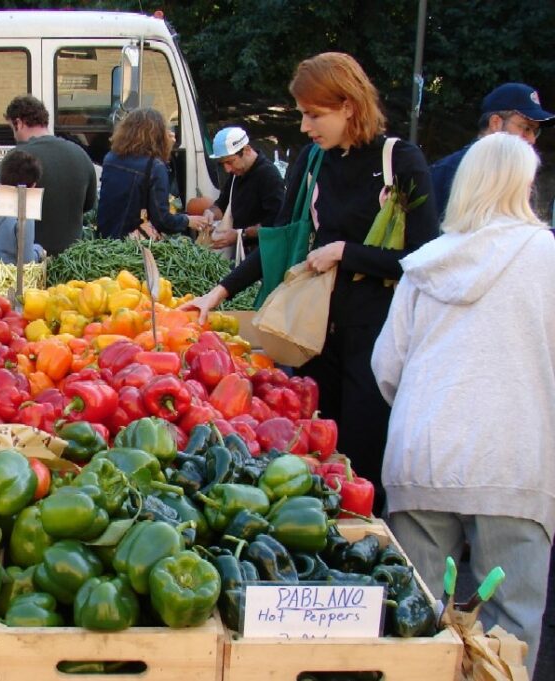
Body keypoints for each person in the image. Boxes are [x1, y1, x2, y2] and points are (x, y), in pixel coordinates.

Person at [183, 53, 438, 510]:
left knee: (361, 460)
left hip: (374, 339)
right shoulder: (311, 162)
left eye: (313, 114)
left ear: (350, 106)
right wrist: (217, 294)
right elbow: (281, 244)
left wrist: (345, 253)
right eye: (302, 113)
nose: (304, 126)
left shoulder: (401, 160)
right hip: (313, 337)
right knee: (314, 458)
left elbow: (423, 258)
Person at [371, 133, 555, 677]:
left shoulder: (426, 264)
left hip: (422, 453)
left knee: (413, 623)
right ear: (526, 186)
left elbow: (387, 366)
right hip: (514, 458)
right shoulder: (548, 258)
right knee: (509, 631)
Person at [430, 83, 553, 215]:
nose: (532, 139)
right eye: (527, 128)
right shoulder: (448, 171)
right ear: (495, 123)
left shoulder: (521, 175)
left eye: (535, 131)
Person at [4, 95, 97, 255]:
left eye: (12, 129)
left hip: (31, 264)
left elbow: (3, 216)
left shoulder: (16, 158)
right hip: (72, 260)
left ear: (18, 123)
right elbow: (89, 205)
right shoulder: (80, 154)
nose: (14, 136)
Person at [96, 108, 208, 239]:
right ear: (158, 135)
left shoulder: (111, 158)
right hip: (132, 244)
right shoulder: (155, 167)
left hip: (105, 239)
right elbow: (162, 221)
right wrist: (188, 220)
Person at [206, 126, 285, 253]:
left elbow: (276, 222)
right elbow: (222, 203)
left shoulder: (268, 175)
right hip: (240, 251)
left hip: (263, 253)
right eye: (223, 164)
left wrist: (241, 234)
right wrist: (210, 214)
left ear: (246, 150)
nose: (227, 169)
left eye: (230, 162)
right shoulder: (236, 173)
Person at [0, 150, 45, 265]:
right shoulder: (24, 211)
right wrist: (38, 251)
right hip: (11, 280)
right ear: (32, 186)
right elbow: (26, 260)